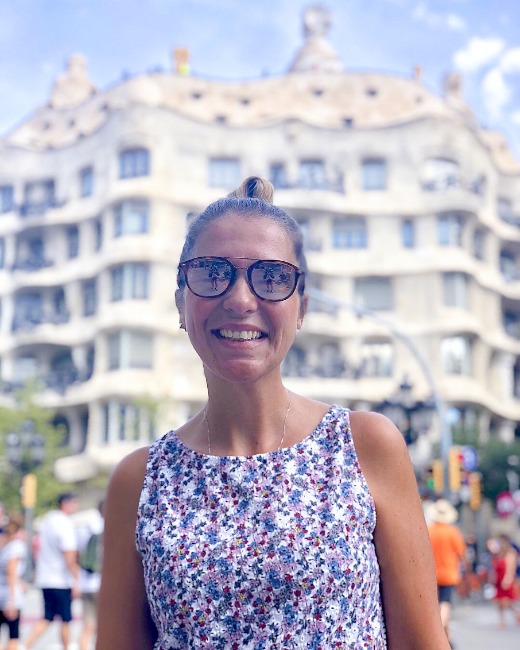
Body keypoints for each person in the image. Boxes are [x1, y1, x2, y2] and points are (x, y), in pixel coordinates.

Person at [97, 176, 450, 648]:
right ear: (181, 302)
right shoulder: (139, 480)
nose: (241, 300)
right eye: (211, 273)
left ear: (300, 307)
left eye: (271, 278)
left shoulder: (366, 446)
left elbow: (422, 642)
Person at [24, 492, 80, 650]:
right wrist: (76, 579)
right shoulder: (64, 523)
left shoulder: (48, 520)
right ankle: (66, 647)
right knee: (65, 619)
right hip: (60, 579)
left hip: (46, 576)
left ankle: (25, 645)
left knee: (47, 617)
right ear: (66, 504)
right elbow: (69, 555)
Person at [427, 498, 467, 646]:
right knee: (445, 603)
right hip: (449, 574)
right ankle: (441, 629)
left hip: (431, 575)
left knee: (436, 604)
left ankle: (446, 638)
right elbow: (462, 554)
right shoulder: (452, 532)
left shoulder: (429, 530)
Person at [77, 501, 104, 650]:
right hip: (101, 583)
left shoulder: (85, 527)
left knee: (88, 626)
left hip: (85, 581)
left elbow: (76, 555)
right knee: (105, 626)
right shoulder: (108, 526)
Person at [0, 513, 27, 650]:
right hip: (8, 595)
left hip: (3, 591)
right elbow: (11, 573)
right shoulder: (16, 546)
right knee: (13, 635)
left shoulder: (5, 545)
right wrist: (11, 601)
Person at [490, 533, 520, 629]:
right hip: (498, 580)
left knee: (507, 601)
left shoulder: (510, 553)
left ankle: (516, 613)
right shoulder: (498, 554)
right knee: (499, 602)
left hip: (506, 580)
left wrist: (507, 579)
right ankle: (502, 620)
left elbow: (511, 567)